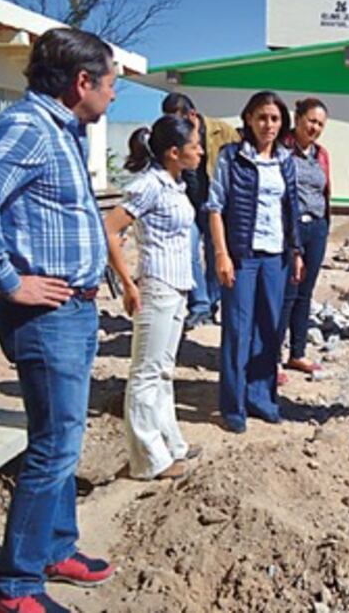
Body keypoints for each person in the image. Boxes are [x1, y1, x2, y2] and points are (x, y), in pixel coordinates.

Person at [0, 27, 116, 612]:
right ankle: (19, 588)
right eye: (109, 83)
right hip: (45, 316)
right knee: (53, 446)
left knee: (63, 439)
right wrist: (9, 281)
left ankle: (56, 546)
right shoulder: (25, 128)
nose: (112, 95)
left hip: (73, 309)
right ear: (82, 82)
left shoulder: (64, 132)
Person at [102, 116, 204, 481]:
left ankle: (169, 444)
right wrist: (128, 284)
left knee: (163, 371)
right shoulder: (148, 185)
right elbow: (110, 230)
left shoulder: (175, 184)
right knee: (145, 373)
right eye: (195, 146)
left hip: (177, 287)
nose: (201, 151)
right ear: (174, 153)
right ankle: (147, 460)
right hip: (156, 286)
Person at [205, 91, 303, 433]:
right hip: (242, 256)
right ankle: (233, 404)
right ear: (248, 119)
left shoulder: (286, 160)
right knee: (237, 330)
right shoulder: (231, 157)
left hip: (276, 257)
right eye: (262, 117)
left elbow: (291, 208)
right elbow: (215, 207)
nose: (269, 125)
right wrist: (221, 254)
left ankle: (261, 397)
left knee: (270, 329)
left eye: (275, 119)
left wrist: (296, 250)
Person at [161, 92, 240, 330]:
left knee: (215, 252)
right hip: (188, 205)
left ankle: (213, 302)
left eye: (178, 120)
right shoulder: (173, 138)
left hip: (216, 206)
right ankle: (199, 306)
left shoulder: (223, 132)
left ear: (192, 115)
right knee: (188, 251)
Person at [280, 98, 331, 374]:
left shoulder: (320, 154)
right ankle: (272, 356)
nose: (315, 127)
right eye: (311, 120)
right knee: (288, 292)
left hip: (318, 227)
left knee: (305, 292)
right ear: (297, 118)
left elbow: (324, 189)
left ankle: (297, 353)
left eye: (320, 124)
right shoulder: (281, 149)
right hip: (292, 227)